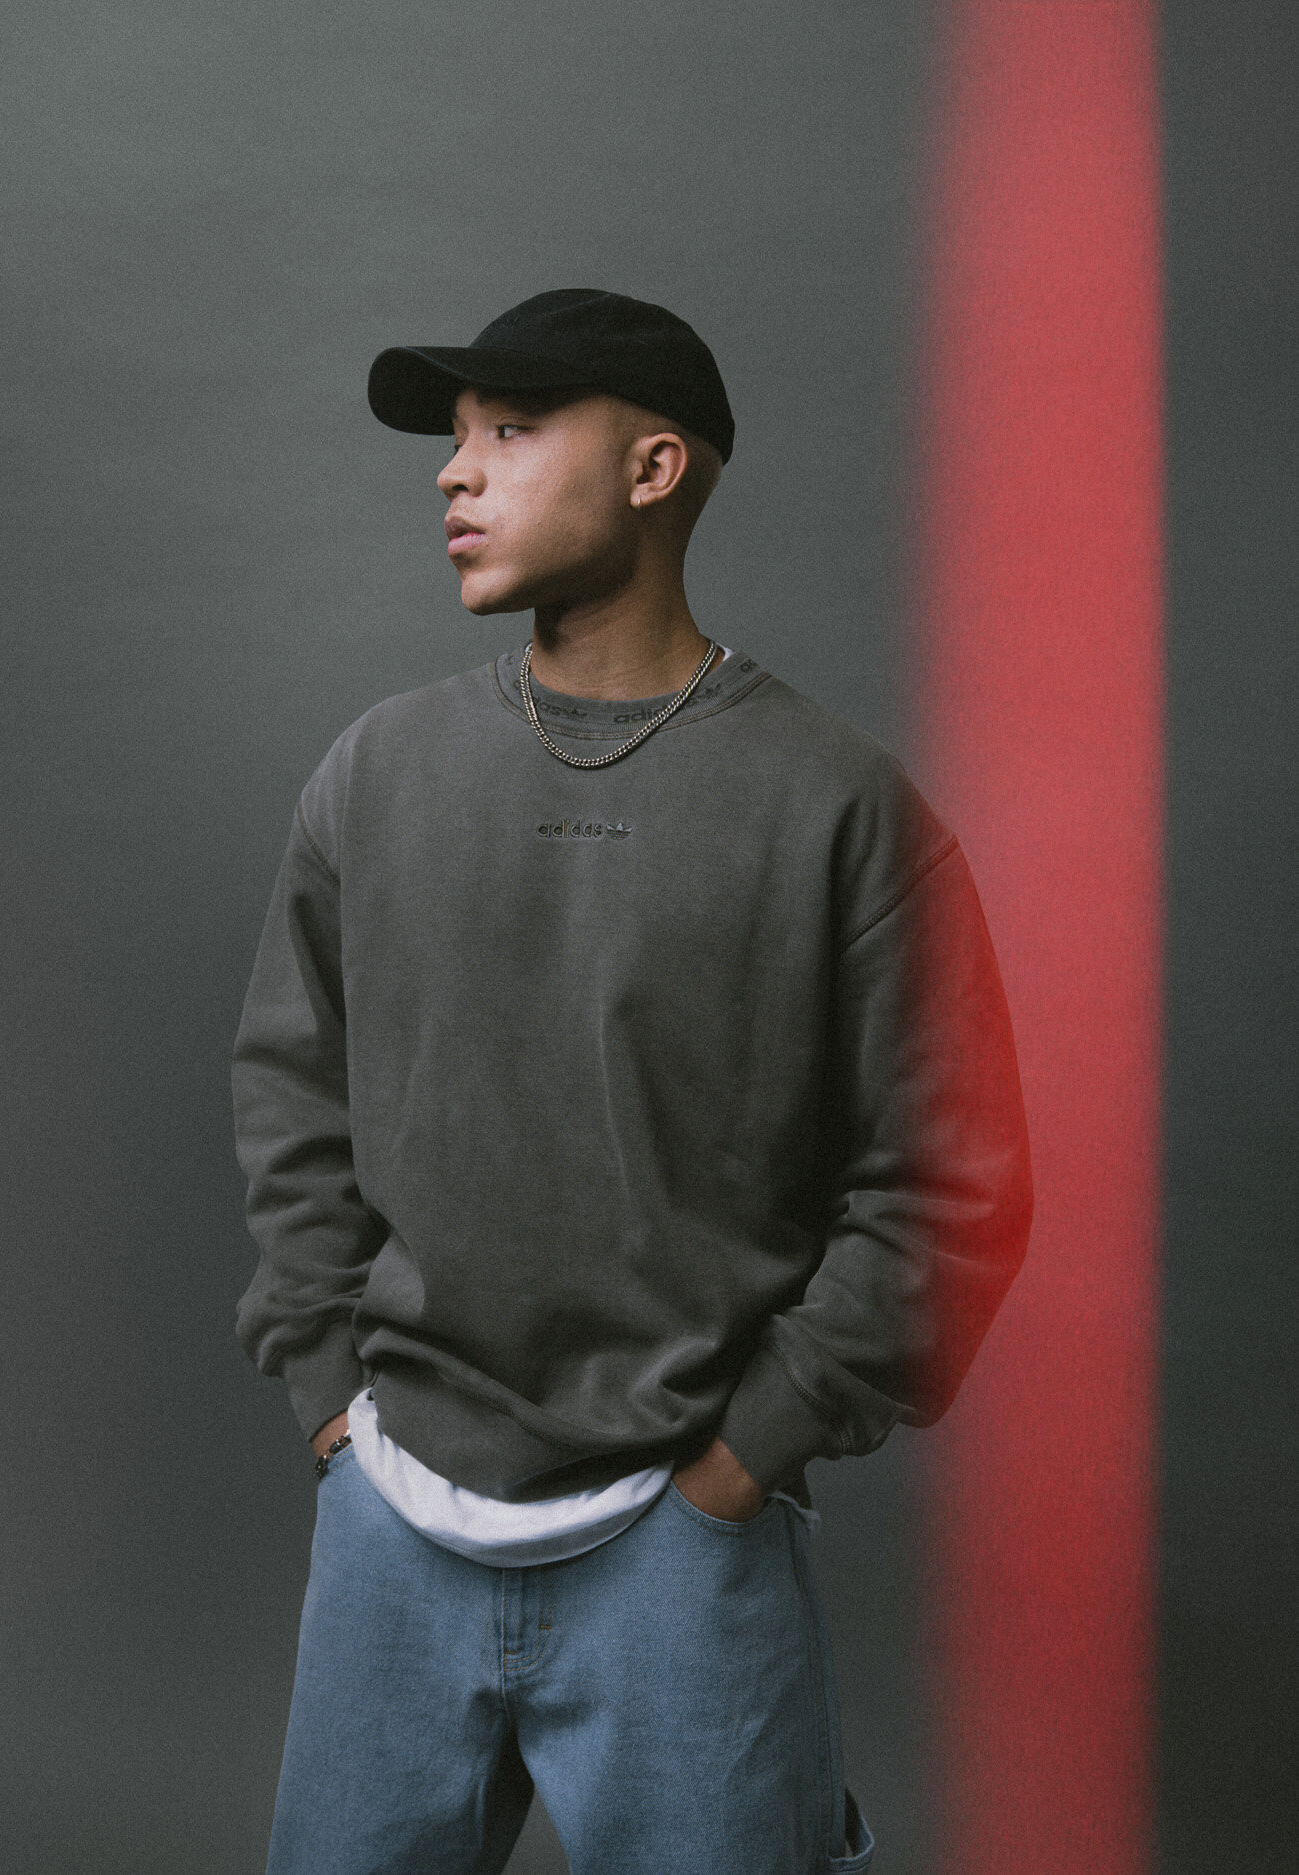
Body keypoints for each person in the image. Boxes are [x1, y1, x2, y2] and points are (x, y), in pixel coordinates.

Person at [232, 288, 1033, 1875]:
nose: (455, 473)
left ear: (655, 468)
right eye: (455, 441)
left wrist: (746, 1462)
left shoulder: (837, 807)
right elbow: (292, 1097)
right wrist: (331, 1400)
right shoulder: (376, 772)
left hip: (683, 1550)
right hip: (395, 1518)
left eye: (513, 431)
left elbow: (953, 1185)